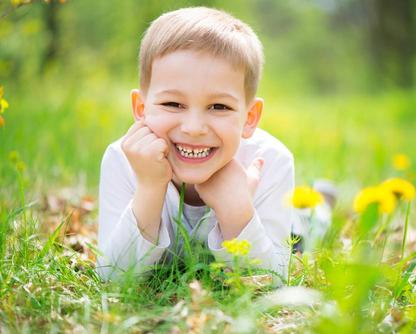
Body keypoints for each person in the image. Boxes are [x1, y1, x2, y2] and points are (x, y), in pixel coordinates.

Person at [97, 7, 295, 282]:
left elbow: (270, 281)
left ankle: (319, 209)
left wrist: (237, 211)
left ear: (250, 118)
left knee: (305, 226)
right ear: (141, 108)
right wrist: (150, 187)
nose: (193, 127)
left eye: (219, 106)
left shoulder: (270, 161)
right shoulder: (123, 159)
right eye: (173, 104)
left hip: (291, 224)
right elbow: (113, 278)